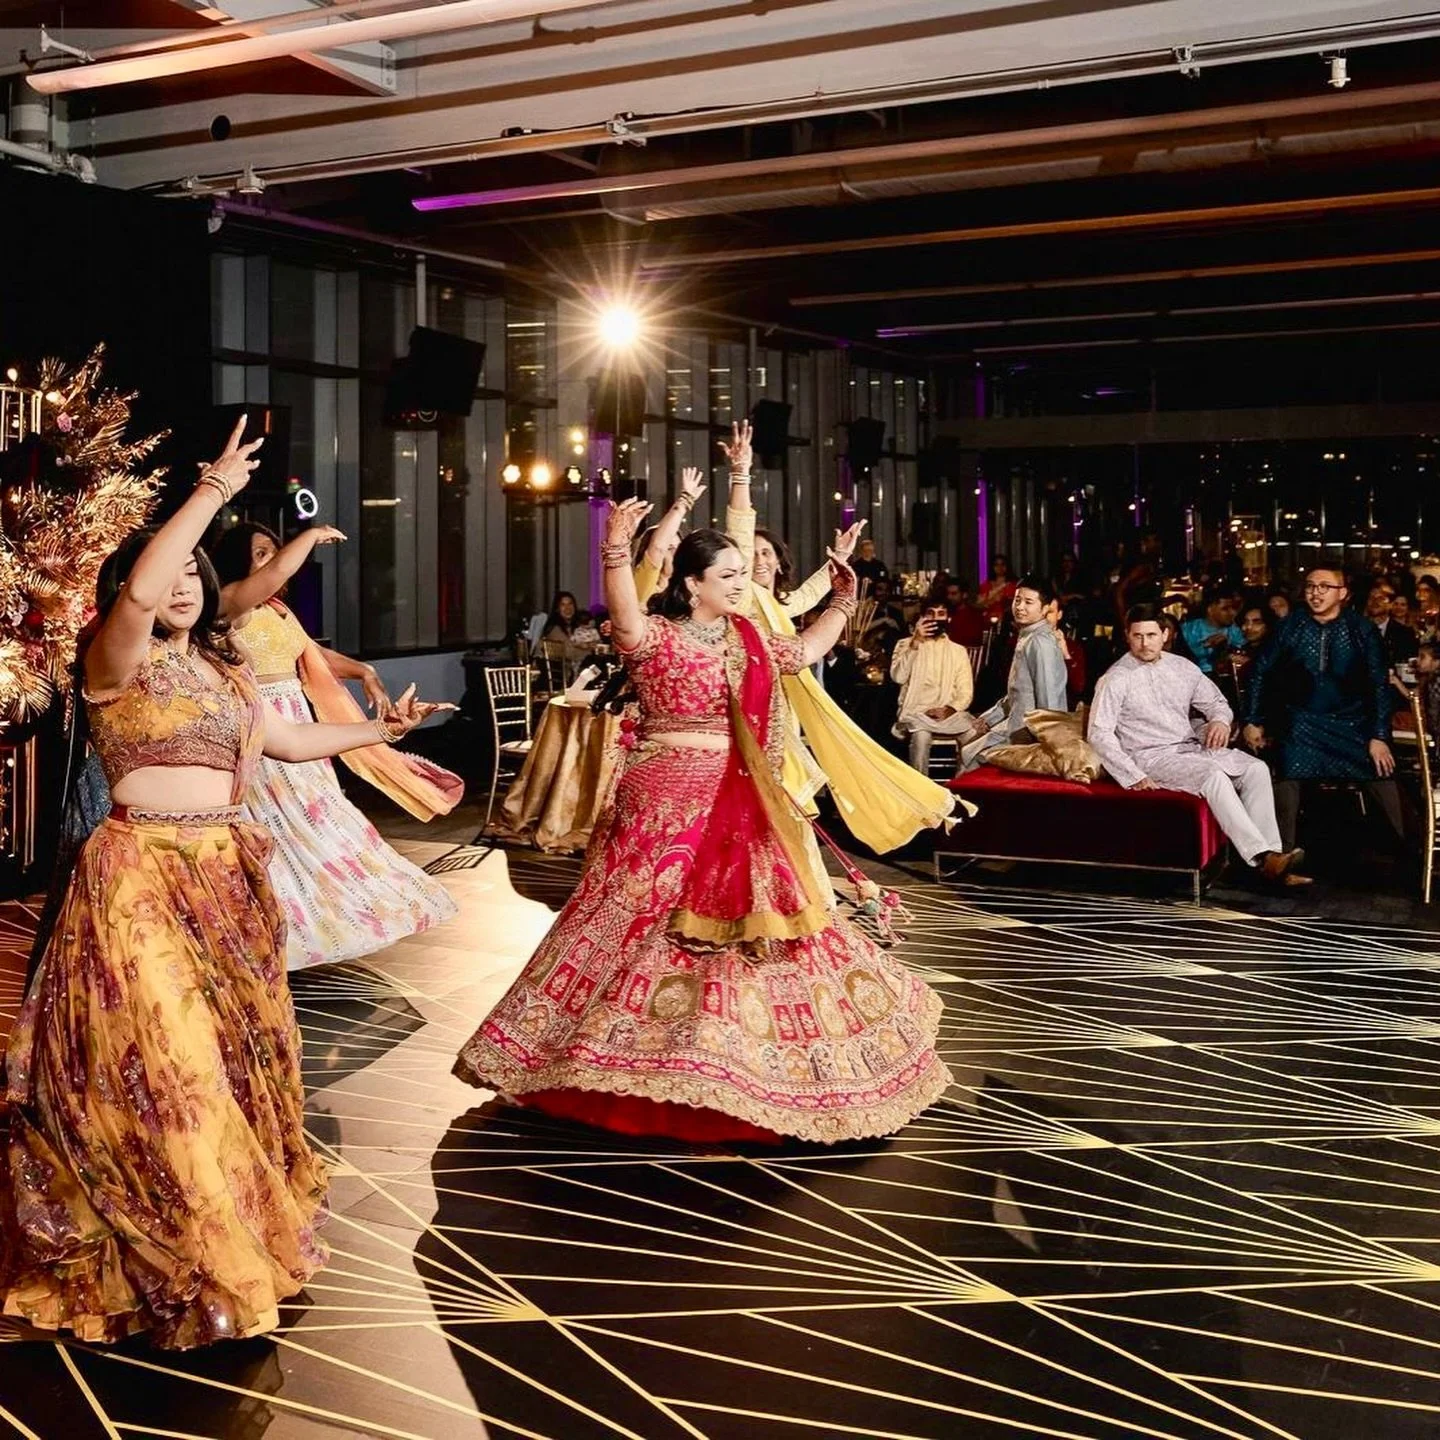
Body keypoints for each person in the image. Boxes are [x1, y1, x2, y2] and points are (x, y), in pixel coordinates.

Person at [1, 418, 451, 1347]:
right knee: (164, 1060)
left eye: (193, 579)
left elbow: (288, 743)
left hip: (227, 878)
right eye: (167, 576)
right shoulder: (112, 662)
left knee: (229, 1054)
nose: (179, 589)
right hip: (136, 876)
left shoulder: (224, 670)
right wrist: (209, 489)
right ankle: (186, 1244)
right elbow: (137, 586)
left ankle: (225, 1221)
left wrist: (381, 733)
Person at [453, 504, 952, 1144]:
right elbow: (624, 613)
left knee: (757, 925)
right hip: (662, 801)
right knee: (639, 920)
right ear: (693, 584)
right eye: (727, 575)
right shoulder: (656, 636)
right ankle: (613, 1061)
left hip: (739, 798)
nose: (741, 584)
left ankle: (747, 1067)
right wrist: (615, 547)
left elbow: (801, 652)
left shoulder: (748, 638)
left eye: (744, 573)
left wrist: (840, 601)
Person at [210, 521, 461, 972]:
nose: (274, 561)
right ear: (237, 561)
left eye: (274, 550)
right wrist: (307, 540)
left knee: (324, 819)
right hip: (263, 723)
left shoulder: (280, 611)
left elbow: (312, 655)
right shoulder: (233, 603)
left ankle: (334, 912)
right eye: (262, 553)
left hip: (298, 721)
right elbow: (265, 584)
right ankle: (279, 929)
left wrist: (362, 669)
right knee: (282, 830)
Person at [719, 421, 958, 853]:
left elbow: (809, 595)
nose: (757, 559)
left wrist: (842, 560)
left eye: (766, 553)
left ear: (777, 563)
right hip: (747, 704)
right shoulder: (740, 600)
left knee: (790, 785)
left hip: (782, 699)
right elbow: (737, 531)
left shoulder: (776, 603)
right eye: (749, 553)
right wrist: (741, 474)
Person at [1089, 606, 1307, 885]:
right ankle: (1263, 858)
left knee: (1255, 769)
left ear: (1165, 634)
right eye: (1138, 636)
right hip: (1149, 757)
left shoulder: (1181, 667)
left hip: (1189, 748)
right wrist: (1133, 775)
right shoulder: (1115, 678)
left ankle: (1273, 860)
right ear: (1128, 637)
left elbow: (1217, 703)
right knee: (1213, 777)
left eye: (1151, 635)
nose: (1145, 643)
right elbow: (1099, 733)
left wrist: (1220, 722)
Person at [1243, 567, 1404, 852]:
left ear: (1343, 593)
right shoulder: (1290, 626)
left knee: (1382, 770)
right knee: (1286, 767)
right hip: (1300, 720)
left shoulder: (1362, 630)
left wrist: (1379, 736)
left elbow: (1379, 685)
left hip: (1352, 722)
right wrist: (1252, 720)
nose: (1315, 593)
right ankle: (1280, 854)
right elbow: (1259, 672)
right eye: (1310, 586)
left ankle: (1414, 856)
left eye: (1324, 587)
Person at [958, 575, 1069, 771]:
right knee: (968, 745)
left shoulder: (1040, 642)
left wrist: (1048, 745)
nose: (1020, 607)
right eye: (1017, 600)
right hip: (1015, 726)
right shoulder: (1028, 636)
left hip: (1025, 734)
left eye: (1028, 602)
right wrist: (988, 718)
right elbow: (1017, 694)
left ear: (1044, 609)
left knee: (970, 758)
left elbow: (1049, 702)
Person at [890, 601, 975, 772]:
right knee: (921, 737)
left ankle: (960, 788)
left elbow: (966, 692)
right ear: (922, 618)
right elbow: (897, 677)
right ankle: (921, 790)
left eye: (941, 614)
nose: (936, 618)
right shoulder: (905, 644)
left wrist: (949, 709)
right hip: (916, 714)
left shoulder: (958, 651)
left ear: (948, 619)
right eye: (930, 613)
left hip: (948, 714)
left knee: (973, 737)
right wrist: (915, 643)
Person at [1180, 586, 1244, 676]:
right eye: (1225, 609)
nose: (1232, 613)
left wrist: (1227, 645)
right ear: (1210, 610)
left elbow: (1242, 652)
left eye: (1233, 608)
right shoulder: (1188, 629)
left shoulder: (1234, 630)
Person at [1367, 579, 1418, 664]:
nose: (1375, 602)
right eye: (1371, 598)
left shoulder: (1405, 634)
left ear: (1390, 604)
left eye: (1381, 598)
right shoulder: (1356, 630)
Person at [976, 555, 1016, 626]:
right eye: (996, 565)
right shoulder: (985, 585)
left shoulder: (1013, 585)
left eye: (1002, 564)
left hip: (1008, 621)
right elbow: (979, 605)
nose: (999, 568)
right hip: (988, 621)